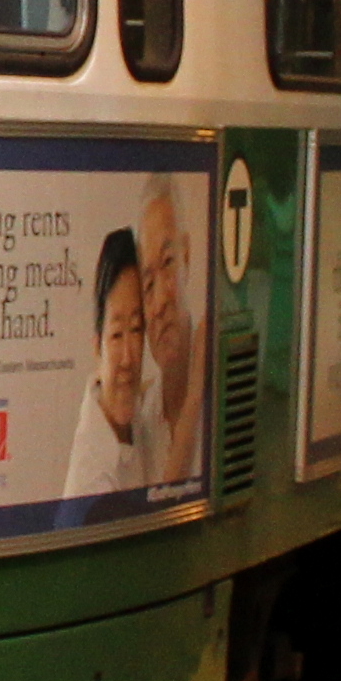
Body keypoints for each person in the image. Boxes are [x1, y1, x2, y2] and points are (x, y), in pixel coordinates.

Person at [62, 227, 154, 498]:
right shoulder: (91, 483)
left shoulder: (142, 418)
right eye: (115, 335)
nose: (128, 358)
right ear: (97, 347)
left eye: (137, 329)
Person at [137, 178, 207, 490]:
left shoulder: (220, 399)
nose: (161, 301)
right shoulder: (140, 420)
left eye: (168, 263)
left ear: (188, 257)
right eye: (148, 284)